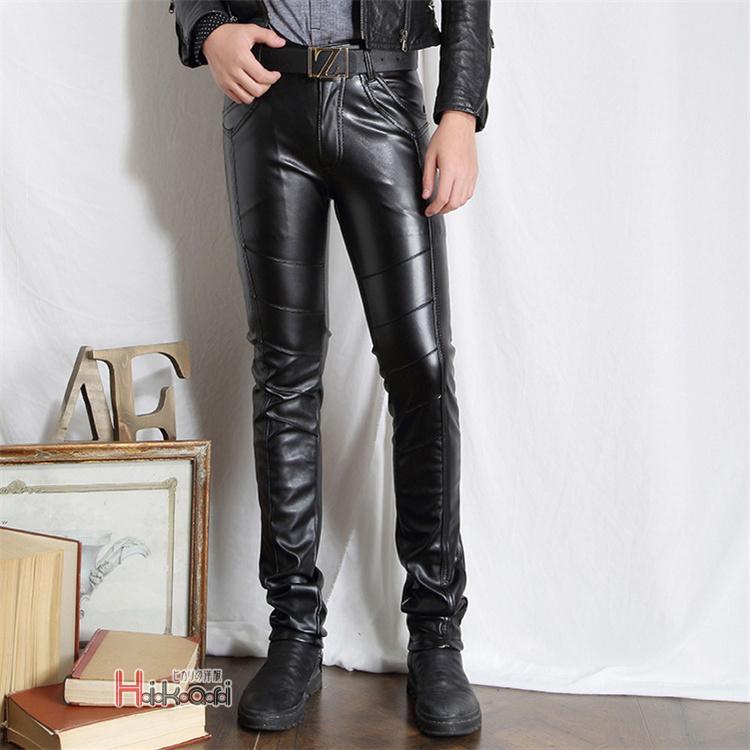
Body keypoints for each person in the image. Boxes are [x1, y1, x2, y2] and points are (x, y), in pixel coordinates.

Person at [170, 0, 492, 737]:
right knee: (283, 376)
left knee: (421, 369)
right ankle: (293, 631)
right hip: (266, 106)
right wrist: (208, 29)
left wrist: (460, 110)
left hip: (382, 95)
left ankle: (437, 633)